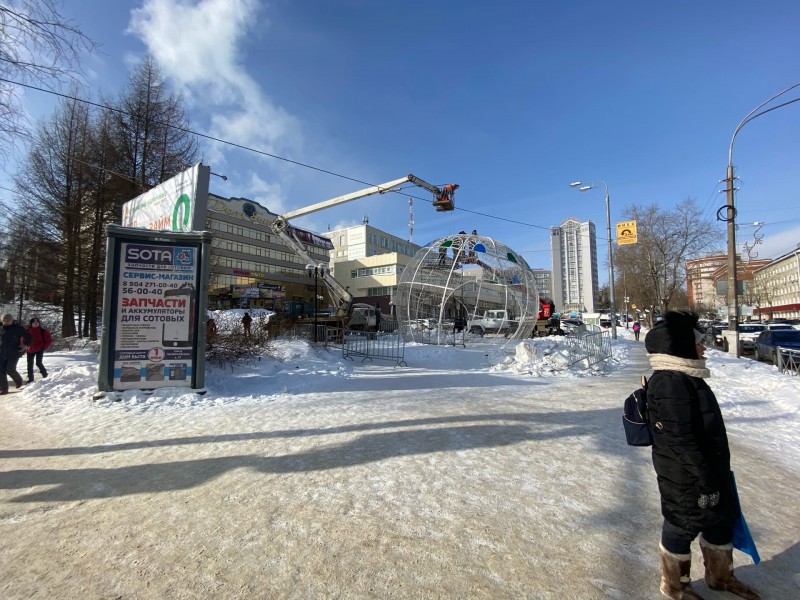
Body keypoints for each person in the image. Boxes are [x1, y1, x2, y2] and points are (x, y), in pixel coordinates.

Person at [644, 311, 760, 600]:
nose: (703, 347)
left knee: (720, 521)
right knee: (682, 526)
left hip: (708, 469)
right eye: (698, 342)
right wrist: (704, 480)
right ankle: (674, 585)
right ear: (680, 347)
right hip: (686, 477)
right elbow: (680, 439)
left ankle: (720, 577)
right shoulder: (670, 383)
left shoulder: (686, 376)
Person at [1, 313, 31, 395]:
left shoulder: (18, 328)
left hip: (14, 352)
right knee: (1, 371)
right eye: (5, 321)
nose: (6, 322)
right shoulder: (1, 328)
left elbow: (29, 337)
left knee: (10, 369)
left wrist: (25, 345)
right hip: (2, 352)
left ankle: (18, 380)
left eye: (8, 321)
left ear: (11, 320)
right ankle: (4, 389)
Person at [25, 317, 52, 383]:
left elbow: (49, 340)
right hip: (30, 349)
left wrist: (44, 346)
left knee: (38, 363)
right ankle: (30, 379)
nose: (36, 324)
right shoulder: (27, 331)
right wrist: (24, 347)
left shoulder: (43, 331)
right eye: (34, 323)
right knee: (30, 364)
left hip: (40, 349)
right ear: (31, 324)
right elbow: (23, 340)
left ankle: (45, 375)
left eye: (37, 322)